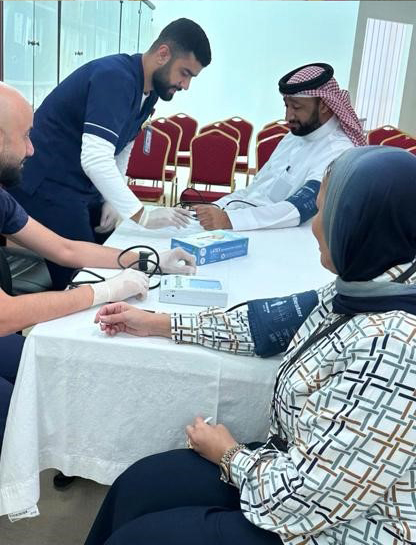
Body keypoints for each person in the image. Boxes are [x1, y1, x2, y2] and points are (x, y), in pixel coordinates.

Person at [0, 79, 196, 542]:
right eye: (26, 136)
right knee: (35, 421)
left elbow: (64, 249)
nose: (31, 149)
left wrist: (145, 259)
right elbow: (2, 314)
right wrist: (105, 292)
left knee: (60, 383)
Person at [84, 146, 416, 545]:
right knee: (140, 486)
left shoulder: (396, 348)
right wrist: (159, 323)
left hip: (340, 526)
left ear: (363, 226)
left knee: (140, 539)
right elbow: (267, 323)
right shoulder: (371, 284)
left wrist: (229, 454)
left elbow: (304, 503)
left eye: (325, 214)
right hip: (289, 474)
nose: (314, 228)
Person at [10, 18, 210, 287]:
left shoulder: (148, 93)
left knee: (114, 255)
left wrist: (111, 200)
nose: (185, 85)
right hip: (47, 185)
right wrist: (142, 215)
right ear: (163, 54)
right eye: (185, 73)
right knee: (88, 277)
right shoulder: (115, 78)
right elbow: (95, 158)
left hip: (79, 185)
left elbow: (122, 149)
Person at [192, 63, 364, 232]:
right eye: (286, 106)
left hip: (288, 238)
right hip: (248, 228)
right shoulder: (292, 137)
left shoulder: (339, 152)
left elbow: (299, 208)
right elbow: (254, 190)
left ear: (324, 105)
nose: (288, 116)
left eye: (296, 107)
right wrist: (215, 207)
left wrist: (229, 220)